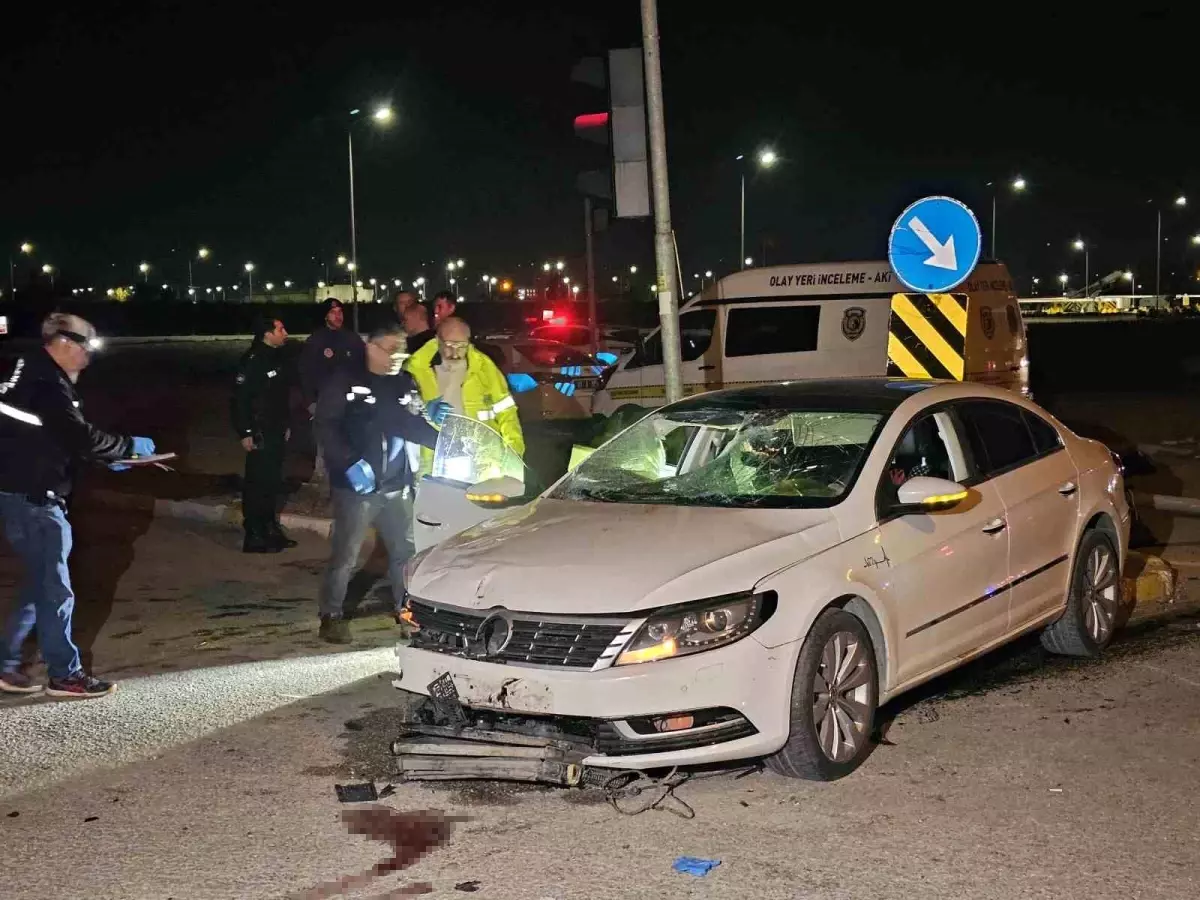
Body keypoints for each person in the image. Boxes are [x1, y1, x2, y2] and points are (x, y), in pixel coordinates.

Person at [0, 314, 155, 698]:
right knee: (55, 590)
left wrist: (106, 455)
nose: (89, 354)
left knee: (40, 584)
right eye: (88, 345)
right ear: (64, 343)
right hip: (36, 499)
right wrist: (128, 447)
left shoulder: (27, 373)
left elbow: (51, 437)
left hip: (19, 492)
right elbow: (76, 434)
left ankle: (6, 665)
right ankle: (64, 675)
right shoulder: (47, 384)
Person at [314, 324, 450, 644]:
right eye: (389, 350)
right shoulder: (345, 380)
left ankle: (407, 613)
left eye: (400, 352)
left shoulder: (402, 383)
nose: (395, 358)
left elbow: (409, 423)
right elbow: (326, 425)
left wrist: (442, 440)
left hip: (396, 486)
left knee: (404, 554)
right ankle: (331, 614)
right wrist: (349, 463)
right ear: (370, 347)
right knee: (346, 555)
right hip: (357, 488)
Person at [406, 316, 524, 474]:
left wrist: (513, 451)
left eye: (461, 346)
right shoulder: (415, 370)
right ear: (437, 340)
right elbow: (403, 414)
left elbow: (507, 412)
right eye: (449, 345)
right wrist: (423, 411)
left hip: (482, 461)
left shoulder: (485, 369)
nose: (455, 353)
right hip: (435, 461)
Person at [232, 315, 294, 553]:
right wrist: (245, 431)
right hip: (259, 430)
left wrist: (285, 424)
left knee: (272, 481)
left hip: (275, 428)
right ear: (267, 333)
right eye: (281, 329)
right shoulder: (253, 360)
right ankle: (254, 533)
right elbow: (240, 399)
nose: (285, 333)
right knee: (257, 482)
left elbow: (278, 397)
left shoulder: (277, 357)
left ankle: (269, 528)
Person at [299, 298, 365, 483]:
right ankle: (322, 479)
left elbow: (362, 369)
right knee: (325, 441)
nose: (338, 316)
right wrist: (310, 400)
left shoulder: (352, 339)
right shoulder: (316, 340)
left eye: (340, 312)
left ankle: (349, 476)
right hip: (324, 403)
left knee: (349, 439)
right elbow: (305, 373)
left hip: (350, 402)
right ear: (325, 316)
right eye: (333, 312)